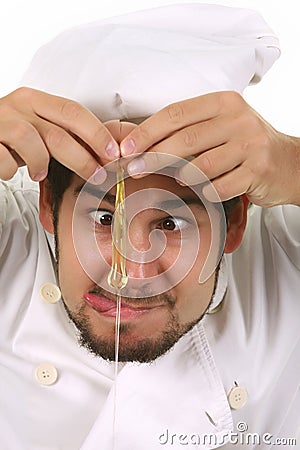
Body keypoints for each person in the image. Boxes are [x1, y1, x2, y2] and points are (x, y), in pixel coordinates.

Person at [0, 4, 299, 450]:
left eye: (171, 223)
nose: (130, 274)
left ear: (235, 223)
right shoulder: (10, 240)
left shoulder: (283, 250)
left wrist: (293, 163)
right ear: (47, 205)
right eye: (103, 219)